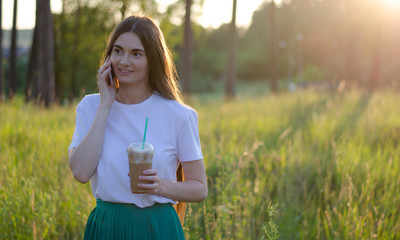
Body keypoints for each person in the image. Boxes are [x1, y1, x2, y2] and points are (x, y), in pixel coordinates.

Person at [68, 15, 207, 240]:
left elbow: (199, 188)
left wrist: (160, 186)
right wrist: (105, 105)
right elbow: (81, 172)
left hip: (158, 227)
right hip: (107, 226)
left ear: (153, 59)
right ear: (109, 56)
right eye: (118, 51)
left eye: (136, 54)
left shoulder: (179, 115)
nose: (124, 61)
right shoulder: (91, 106)